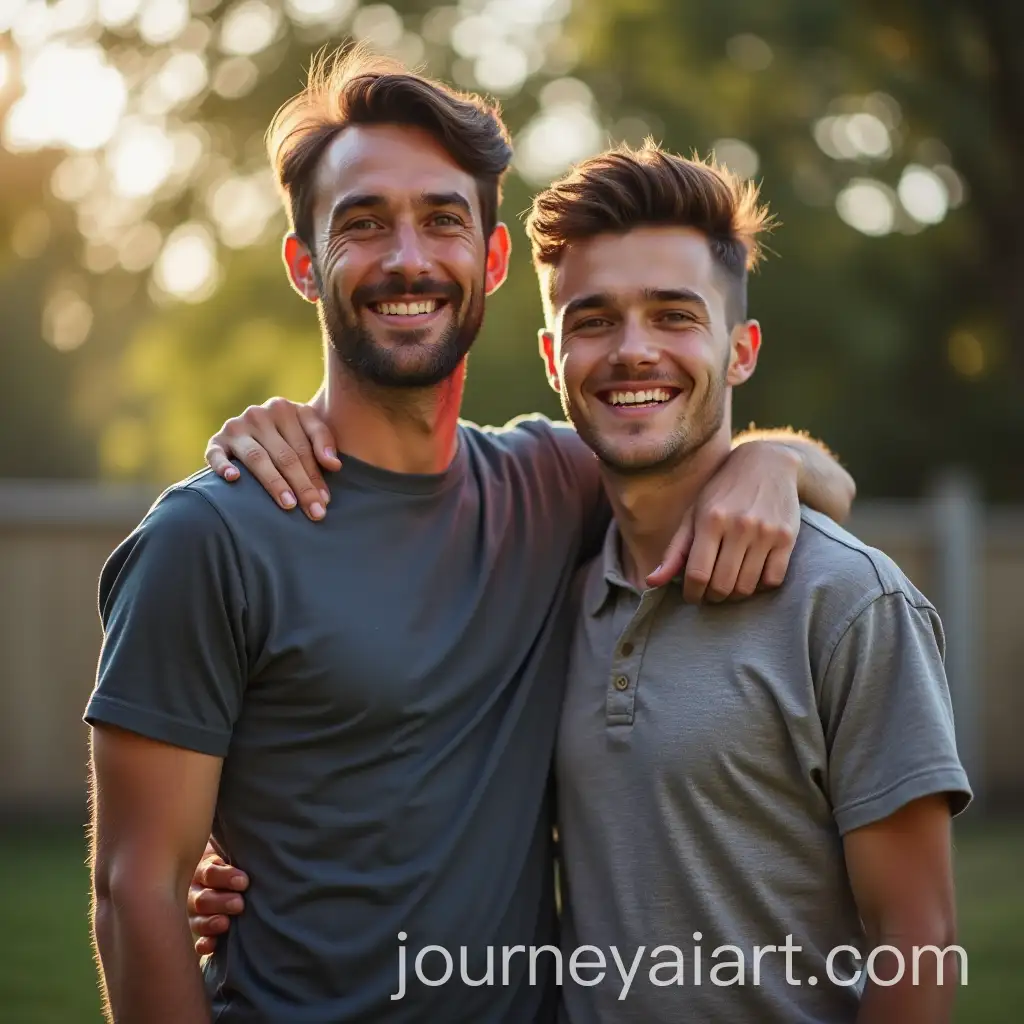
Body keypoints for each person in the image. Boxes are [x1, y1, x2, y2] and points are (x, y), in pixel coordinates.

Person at [85, 48, 853, 1024]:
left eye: (442, 219)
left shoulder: (553, 484)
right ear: (303, 266)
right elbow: (135, 889)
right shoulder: (210, 537)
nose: (407, 258)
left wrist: (769, 464)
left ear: (491, 260)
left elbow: (822, 478)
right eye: (361, 224)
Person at [191, 144, 971, 1024]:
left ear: (741, 350)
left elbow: (921, 935)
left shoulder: (850, 602)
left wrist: (774, 458)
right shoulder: (556, 580)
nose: (633, 352)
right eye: (594, 321)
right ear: (553, 358)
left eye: (674, 317)